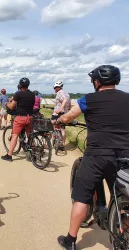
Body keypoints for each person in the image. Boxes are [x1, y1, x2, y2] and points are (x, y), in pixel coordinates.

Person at [56, 65, 129, 250]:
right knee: (120, 193)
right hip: (124, 155)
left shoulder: (88, 99)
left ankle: (70, 241)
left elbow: (68, 117)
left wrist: (60, 120)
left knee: (81, 197)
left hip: (96, 155)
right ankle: (122, 227)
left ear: (96, 82)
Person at [1, 78, 35, 161]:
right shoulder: (32, 94)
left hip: (20, 117)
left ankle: (9, 155)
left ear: (20, 85)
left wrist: (6, 103)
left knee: (15, 135)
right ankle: (33, 151)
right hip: (30, 117)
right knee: (29, 134)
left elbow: (12, 106)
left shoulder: (18, 94)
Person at [51, 81, 71, 150]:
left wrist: (60, 109)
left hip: (57, 113)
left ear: (57, 88)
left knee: (52, 124)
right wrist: (68, 109)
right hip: (65, 114)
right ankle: (63, 144)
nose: (54, 90)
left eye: (55, 88)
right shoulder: (67, 94)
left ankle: (55, 137)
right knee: (63, 128)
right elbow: (69, 104)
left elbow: (64, 100)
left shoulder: (59, 93)